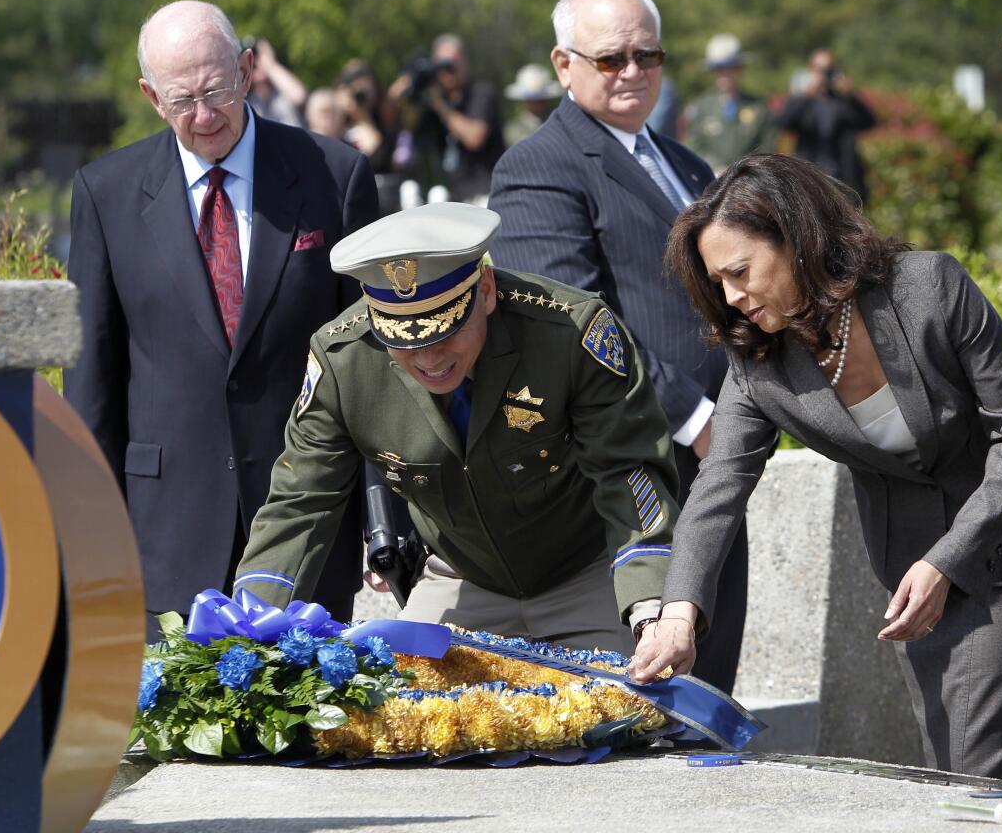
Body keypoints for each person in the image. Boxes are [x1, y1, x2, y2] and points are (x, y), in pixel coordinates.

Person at [633, 153, 1002, 781]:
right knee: (954, 750)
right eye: (718, 283)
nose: (732, 299)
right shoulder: (757, 362)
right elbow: (719, 484)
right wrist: (678, 612)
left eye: (740, 272)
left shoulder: (928, 288)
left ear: (795, 241)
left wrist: (946, 561)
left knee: (978, 756)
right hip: (911, 559)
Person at [233, 203, 680, 654]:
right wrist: (249, 621)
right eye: (402, 341)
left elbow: (629, 471)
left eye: (442, 331)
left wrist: (648, 604)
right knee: (402, 713)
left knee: (624, 709)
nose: (428, 358)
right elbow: (300, 500)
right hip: (461, 578)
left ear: (484, 290)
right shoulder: (342, 362)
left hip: (586, 574)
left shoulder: (569, 332)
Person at [65, 0, 378, 635]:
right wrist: (90, 535)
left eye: (216, 91)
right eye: (182, 101)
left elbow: (373, 362)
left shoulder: (334, 177)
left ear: (248, 70)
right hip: (164, 532)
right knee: (180, 735)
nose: (204, 116)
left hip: (307, 519)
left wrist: (383, 515)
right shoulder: (107, 193)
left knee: (309, 730)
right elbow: (92, 375)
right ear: (152, 97)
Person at [487, 0, 747, 693]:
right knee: (639, 704)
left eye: (647, 55)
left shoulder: (687, 167)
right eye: (609, 59)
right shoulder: (537, 167)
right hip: (627, 482)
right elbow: (577, 326)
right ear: (563, 64)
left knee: (709, 698)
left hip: (715, 469)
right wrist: (697, 419)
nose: (632, 72)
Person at [391, 33, 505, 204]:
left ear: (464, 62)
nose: (447, 71)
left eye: (452, 64)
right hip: (449, 197)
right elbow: (406, 129)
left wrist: (439, 105)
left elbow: (474, 138)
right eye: (442, 65)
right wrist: (404, 93)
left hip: (483, 195)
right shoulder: (433, 102)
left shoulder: (481, 92)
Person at [777, 48, 876, 202]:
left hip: (842, 180)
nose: (824, 75)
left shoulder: (843, 101)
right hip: (809, 179)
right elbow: (784, 123)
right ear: (811, 71)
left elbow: (869, 123)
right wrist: (806, 94)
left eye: (828, 70)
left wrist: (851, 95)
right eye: (819, 70)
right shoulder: (804, 101)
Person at [683, 33, 776, 175]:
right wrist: (716, 167)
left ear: (740, 68)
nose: (724, 75)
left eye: (730, 67)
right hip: (710, 181)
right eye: (718, 69)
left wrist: (743, 169)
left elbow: (767, 148)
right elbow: (693, 147)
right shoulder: (700, 108)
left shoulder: (759, 107)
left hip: (749, 182)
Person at [245, 36, 307, 128]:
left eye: (259, 63)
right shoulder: (248, 101)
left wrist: (270, 65)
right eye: (253, 66)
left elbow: (299, 96)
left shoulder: (282, 93)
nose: (258, 70)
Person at [503, 62, 563, 147]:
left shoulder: (557, 123)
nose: (537, 104)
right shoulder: (514, 130)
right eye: (533, 100)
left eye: (540, 100)